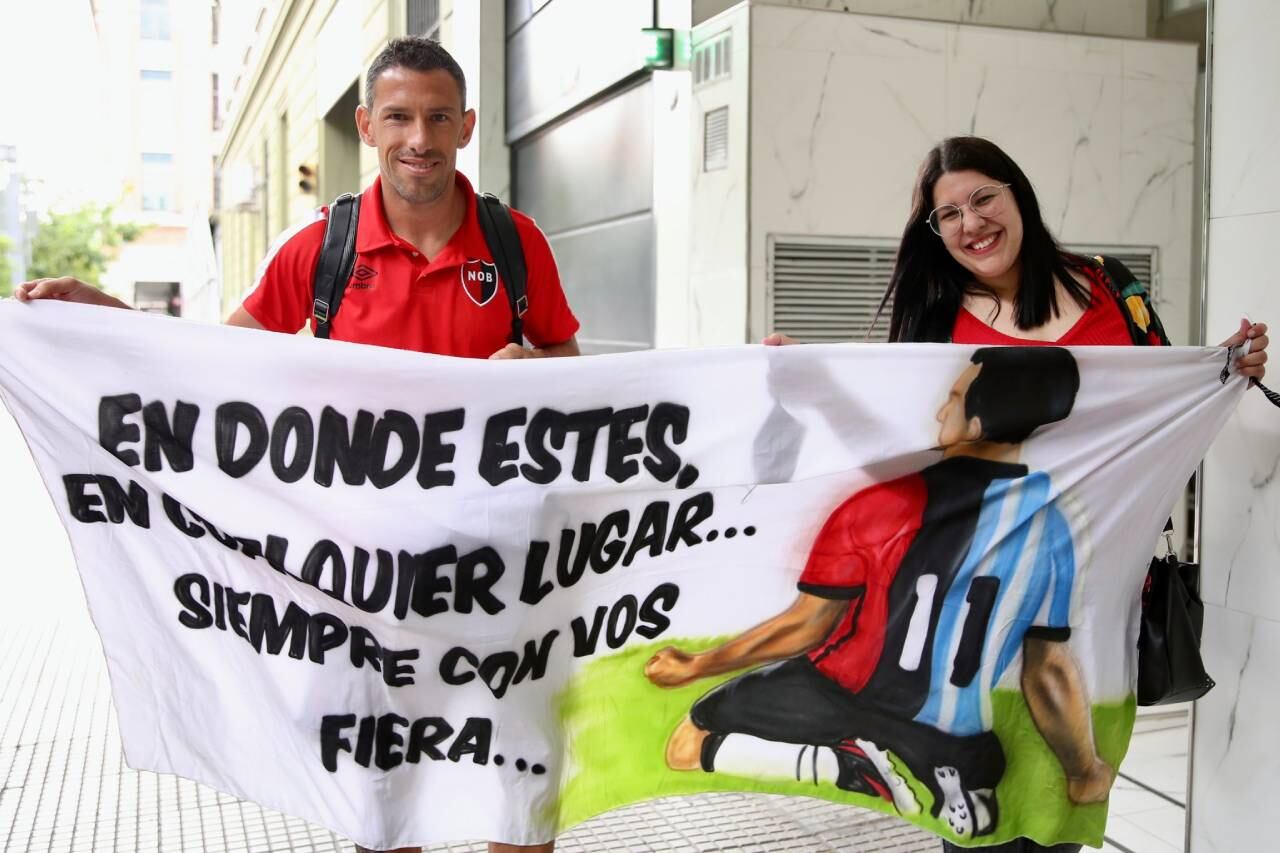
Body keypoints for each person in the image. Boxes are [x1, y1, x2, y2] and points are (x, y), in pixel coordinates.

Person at [17, 36, 573, 853]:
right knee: (384, 795)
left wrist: (536, 366)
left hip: (502, 571)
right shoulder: (319, 250)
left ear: (467, 124)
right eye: (399, 116)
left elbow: (571, 366)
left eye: (438, 116)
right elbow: (211, 367)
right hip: (365, 580)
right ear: (367, 123)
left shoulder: (515, 242)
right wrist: (102, 319)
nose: (419, 136)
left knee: (520, 783)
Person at [765, 135, 1269, 853]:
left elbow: (1164, 396)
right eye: (948, 215)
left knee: (1061, 806)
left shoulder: (1110, 285)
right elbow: (894, 442)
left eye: (982, 199)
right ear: (934, 233)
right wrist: (811, 383)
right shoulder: (938, 322)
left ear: (1018, 196)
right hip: (977, 595)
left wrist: (1224, 365)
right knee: (983, 824)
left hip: (1093, 593)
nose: (970, 223)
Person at [645, 347, 1107, 844]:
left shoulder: (882, 503)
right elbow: (1048, 670)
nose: (938, 411)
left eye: (952, 399)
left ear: (975, 424)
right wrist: (1084, 769)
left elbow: (805, 626)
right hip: (963, 741)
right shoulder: (1054, 523)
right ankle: (957, 779)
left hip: (840, 696)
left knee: (687, 744)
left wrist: (697, 665)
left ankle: (839, 763)